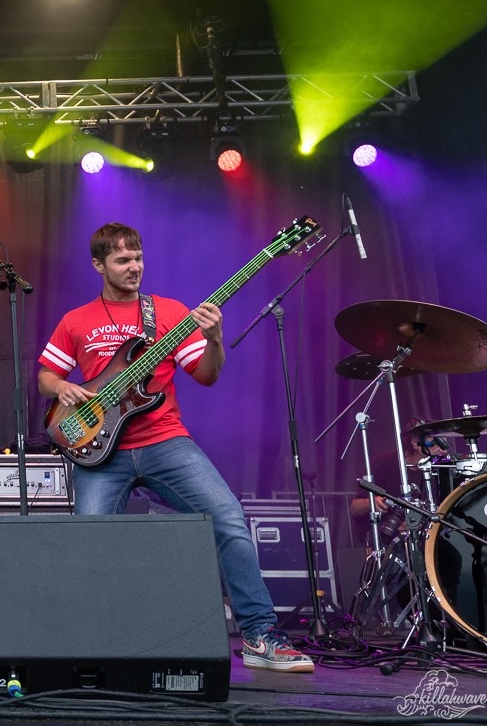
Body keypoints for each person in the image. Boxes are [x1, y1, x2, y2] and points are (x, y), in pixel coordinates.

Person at [37, 222, 314, 673]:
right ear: (99, 265)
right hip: (99, 451)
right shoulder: (76, 320)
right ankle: (93, 643)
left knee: (228, 519)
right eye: (123, 260)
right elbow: (45, 376)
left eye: (138, 258)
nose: (134, 267)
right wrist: (61, 387)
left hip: (164, 441)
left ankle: (259, 636)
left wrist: (215, 339)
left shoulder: (169, 313)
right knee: (89, 543)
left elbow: (206, 375)